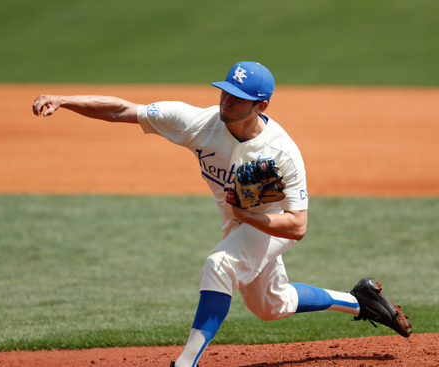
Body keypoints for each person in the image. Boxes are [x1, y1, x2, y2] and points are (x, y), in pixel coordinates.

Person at [32, 61, 412, 367]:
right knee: (271, 306)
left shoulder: (282, 153)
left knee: (219, 265)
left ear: (260, 106)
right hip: (241, 220)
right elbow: (122, 110)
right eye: (226, 92)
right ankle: (359, 300)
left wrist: (247, 218)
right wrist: (64, 99)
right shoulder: (197, 122)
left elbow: (297, 226)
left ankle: (185, 363)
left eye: (238, 98)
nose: (226, 101)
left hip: (272, 222)